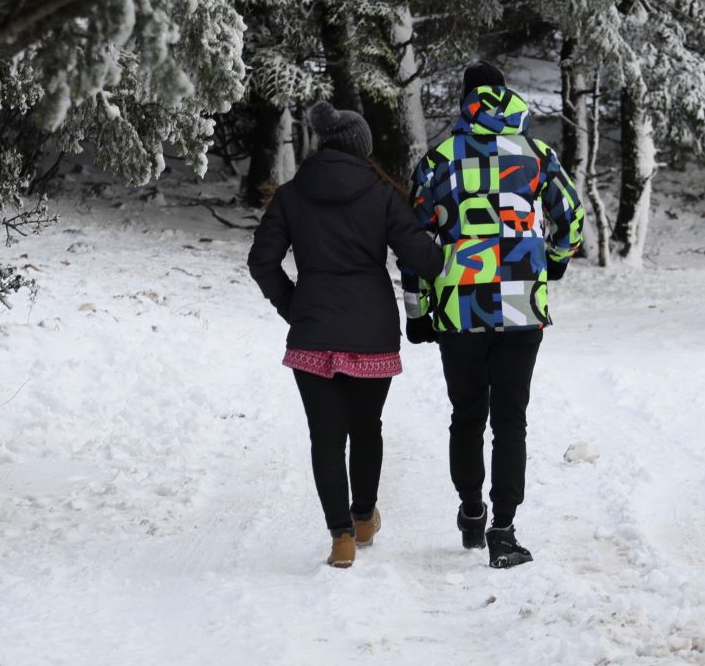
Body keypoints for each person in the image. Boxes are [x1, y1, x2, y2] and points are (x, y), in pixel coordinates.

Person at [402, 61, 586, 569]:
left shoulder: (439, 159)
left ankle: (470, 512)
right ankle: (504, 530)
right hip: (523, 306)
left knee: (466, 416)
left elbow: (413, 239)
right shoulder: (537, 154)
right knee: (511, 421)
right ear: (507, 97)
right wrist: (552, 263)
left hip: (459, 308)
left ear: (466, 100)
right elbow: (572, 216)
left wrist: (416, 310)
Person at [248, 101, 444, 569]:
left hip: (313, 331)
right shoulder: (381, 194)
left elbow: (261, 262)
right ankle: (362, 517)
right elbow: (428, 262)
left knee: (326, 438)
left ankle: (340, 538)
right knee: (367, 428)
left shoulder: (292, 195)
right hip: (372, 331)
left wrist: (293, 305)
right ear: (362, 147)